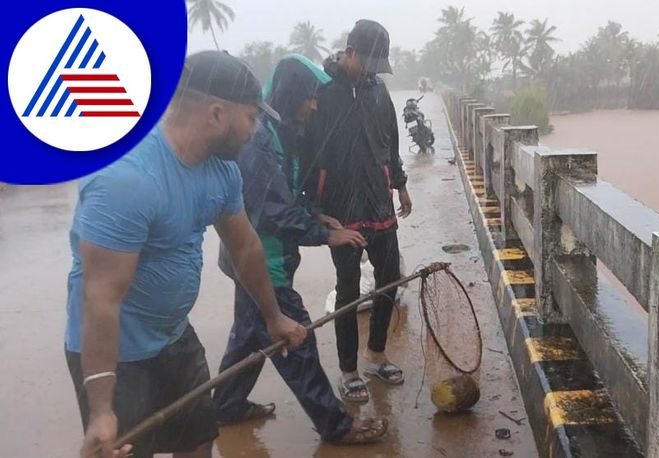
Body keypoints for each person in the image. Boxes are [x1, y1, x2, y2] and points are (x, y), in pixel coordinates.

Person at [64, 50, 308, 458]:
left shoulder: (222, 170)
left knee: (198, 441)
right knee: (123, 450)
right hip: (116, 354)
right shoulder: (126, 180)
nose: (255, 130)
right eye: (251, 117)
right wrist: (102, 409)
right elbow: (100, 299)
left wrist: (274, 317)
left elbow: (245, 246)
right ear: (216, 114)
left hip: (173, 336)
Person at [213, 54, 387, 444]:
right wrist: (325, 235)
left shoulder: (281, 133)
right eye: (309, 97)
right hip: (263, 261)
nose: (314, 105)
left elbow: (289, 191)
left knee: (248, 336)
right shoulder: (258, 140)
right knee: (296, 341)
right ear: (291, 94)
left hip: (260, 258)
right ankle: (337, 426)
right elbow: (271, 210)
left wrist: (315, 213)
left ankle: (225, 405)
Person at [304, 19, 412, 403]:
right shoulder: (323, 93)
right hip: (340, 210)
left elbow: (391, 143)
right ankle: (348, 369)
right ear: (349, 53)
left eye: (377, 65)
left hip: (379, 202)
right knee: (348, 290)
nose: (371, 70)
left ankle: (376, 353)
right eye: (366, 61)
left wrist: (399, 184)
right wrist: (313, 207)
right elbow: (310, 153)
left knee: (389, 278)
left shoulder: (379, 93)